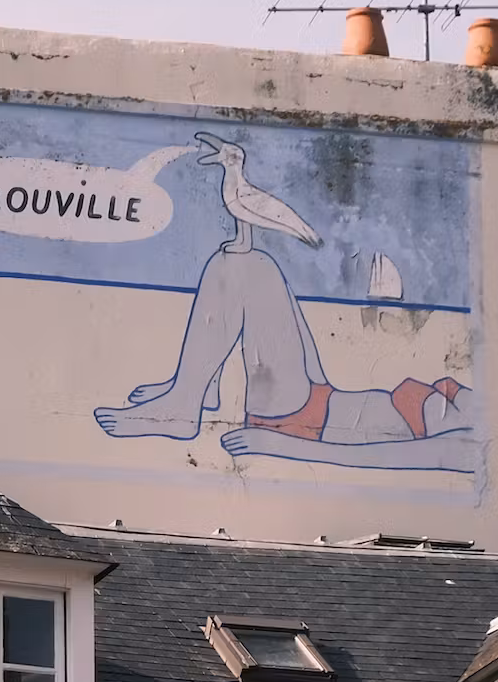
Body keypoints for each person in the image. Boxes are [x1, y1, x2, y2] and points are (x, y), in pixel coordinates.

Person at [92, 131, 469, 449]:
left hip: (302, 419)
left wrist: (279, 446)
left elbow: (420, 458)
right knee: (254, 263)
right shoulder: (483, 414)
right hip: (322, 400)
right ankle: (193, 388)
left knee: (243, 266)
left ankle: (185, 402)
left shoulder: (482, 442)